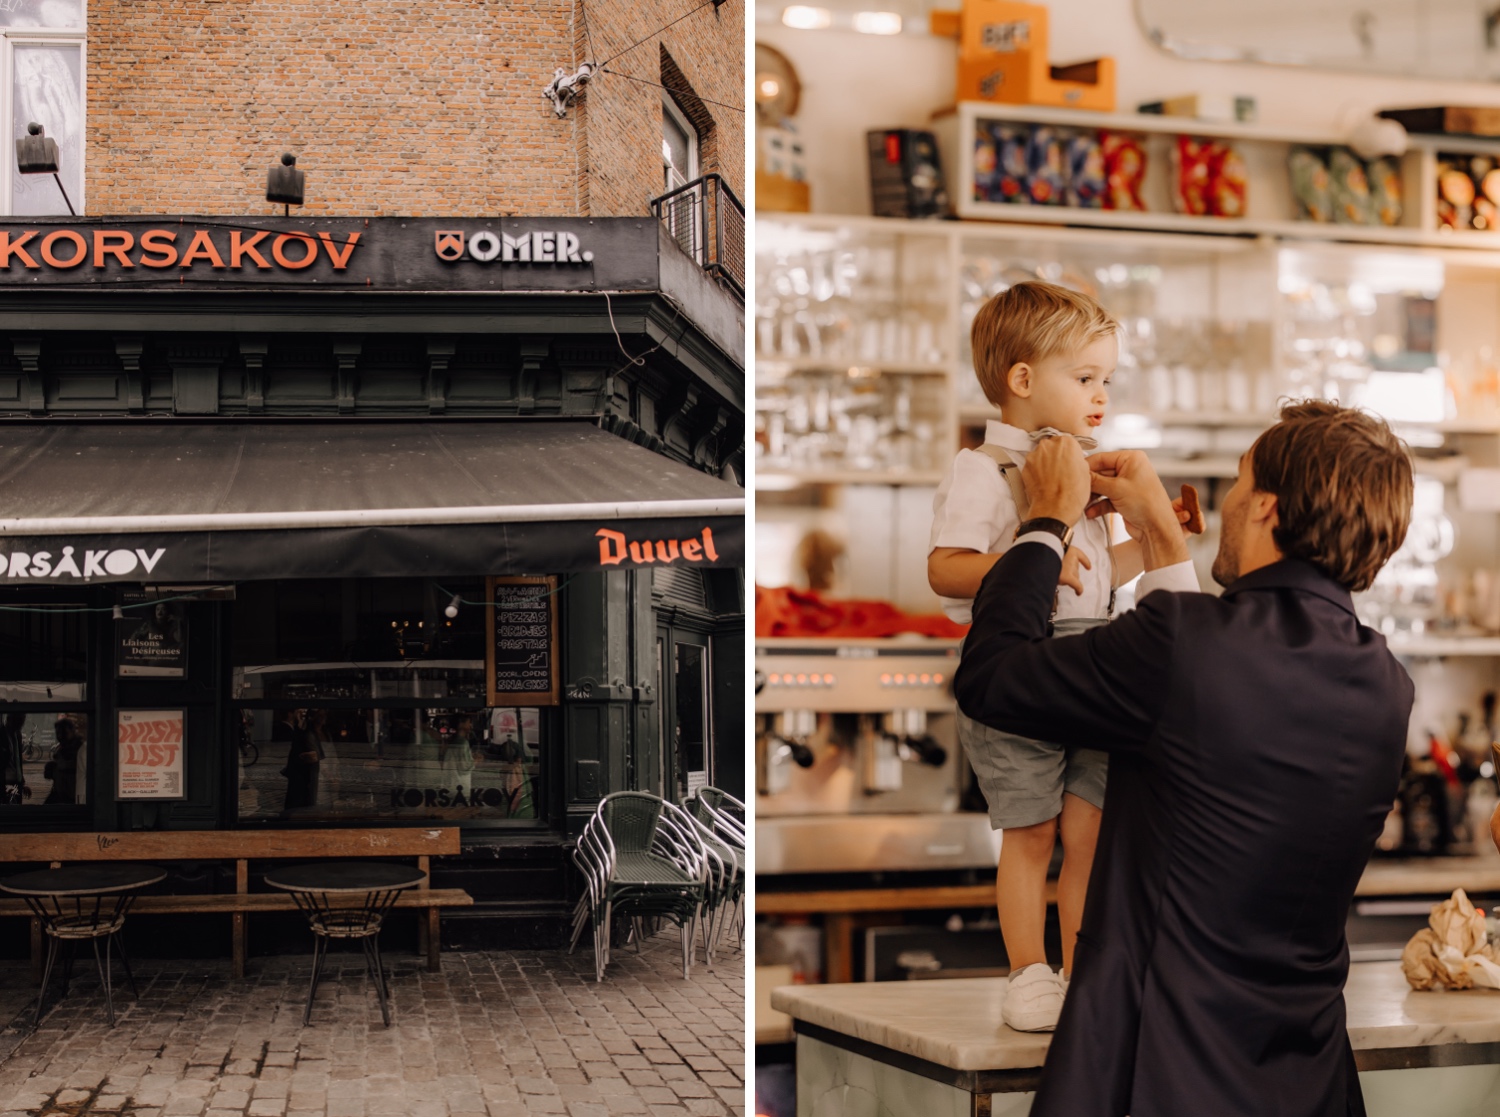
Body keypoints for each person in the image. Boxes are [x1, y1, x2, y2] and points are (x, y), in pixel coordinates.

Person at [954, 401, 1415, 1117]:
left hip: (1156, 1073)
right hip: (1308, 1081)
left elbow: (992, 677)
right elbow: (1205, 688)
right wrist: (1159, 531)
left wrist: (1045, 520)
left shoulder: (1183, 646)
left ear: (1264, 506)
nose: (1227, 500)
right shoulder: (1386, 683)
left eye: (1236, 481)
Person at [928, 280, 1191, 1031]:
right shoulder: (981, 470)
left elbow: (1105, 579)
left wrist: (1161, 535)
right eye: (1084, 378)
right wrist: (1035, 553)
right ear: (1021, 380)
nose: (1100, 395)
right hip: (1020, 662)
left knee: (1092, 834)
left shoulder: (1088, 472)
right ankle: (1028, 973)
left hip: (1098, 659)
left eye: (1106, 379)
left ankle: (1084, 972)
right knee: (1030, 831)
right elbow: (946, 569)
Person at [44, 716, 84, 804]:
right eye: (58, 733)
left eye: (64, 733)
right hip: (62, 793)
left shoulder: (78, 748)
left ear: (72, 731)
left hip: (71, 795)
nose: (60, 736)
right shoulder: (63, 748)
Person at [2, 712, 30, 804]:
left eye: (22, 722)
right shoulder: (2, 734)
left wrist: (21, 782)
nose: (21, 725)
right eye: (19, 722)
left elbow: (17, 761)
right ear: (9, 720)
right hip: (5, 783)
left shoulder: (17, 734)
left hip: (16, 783)